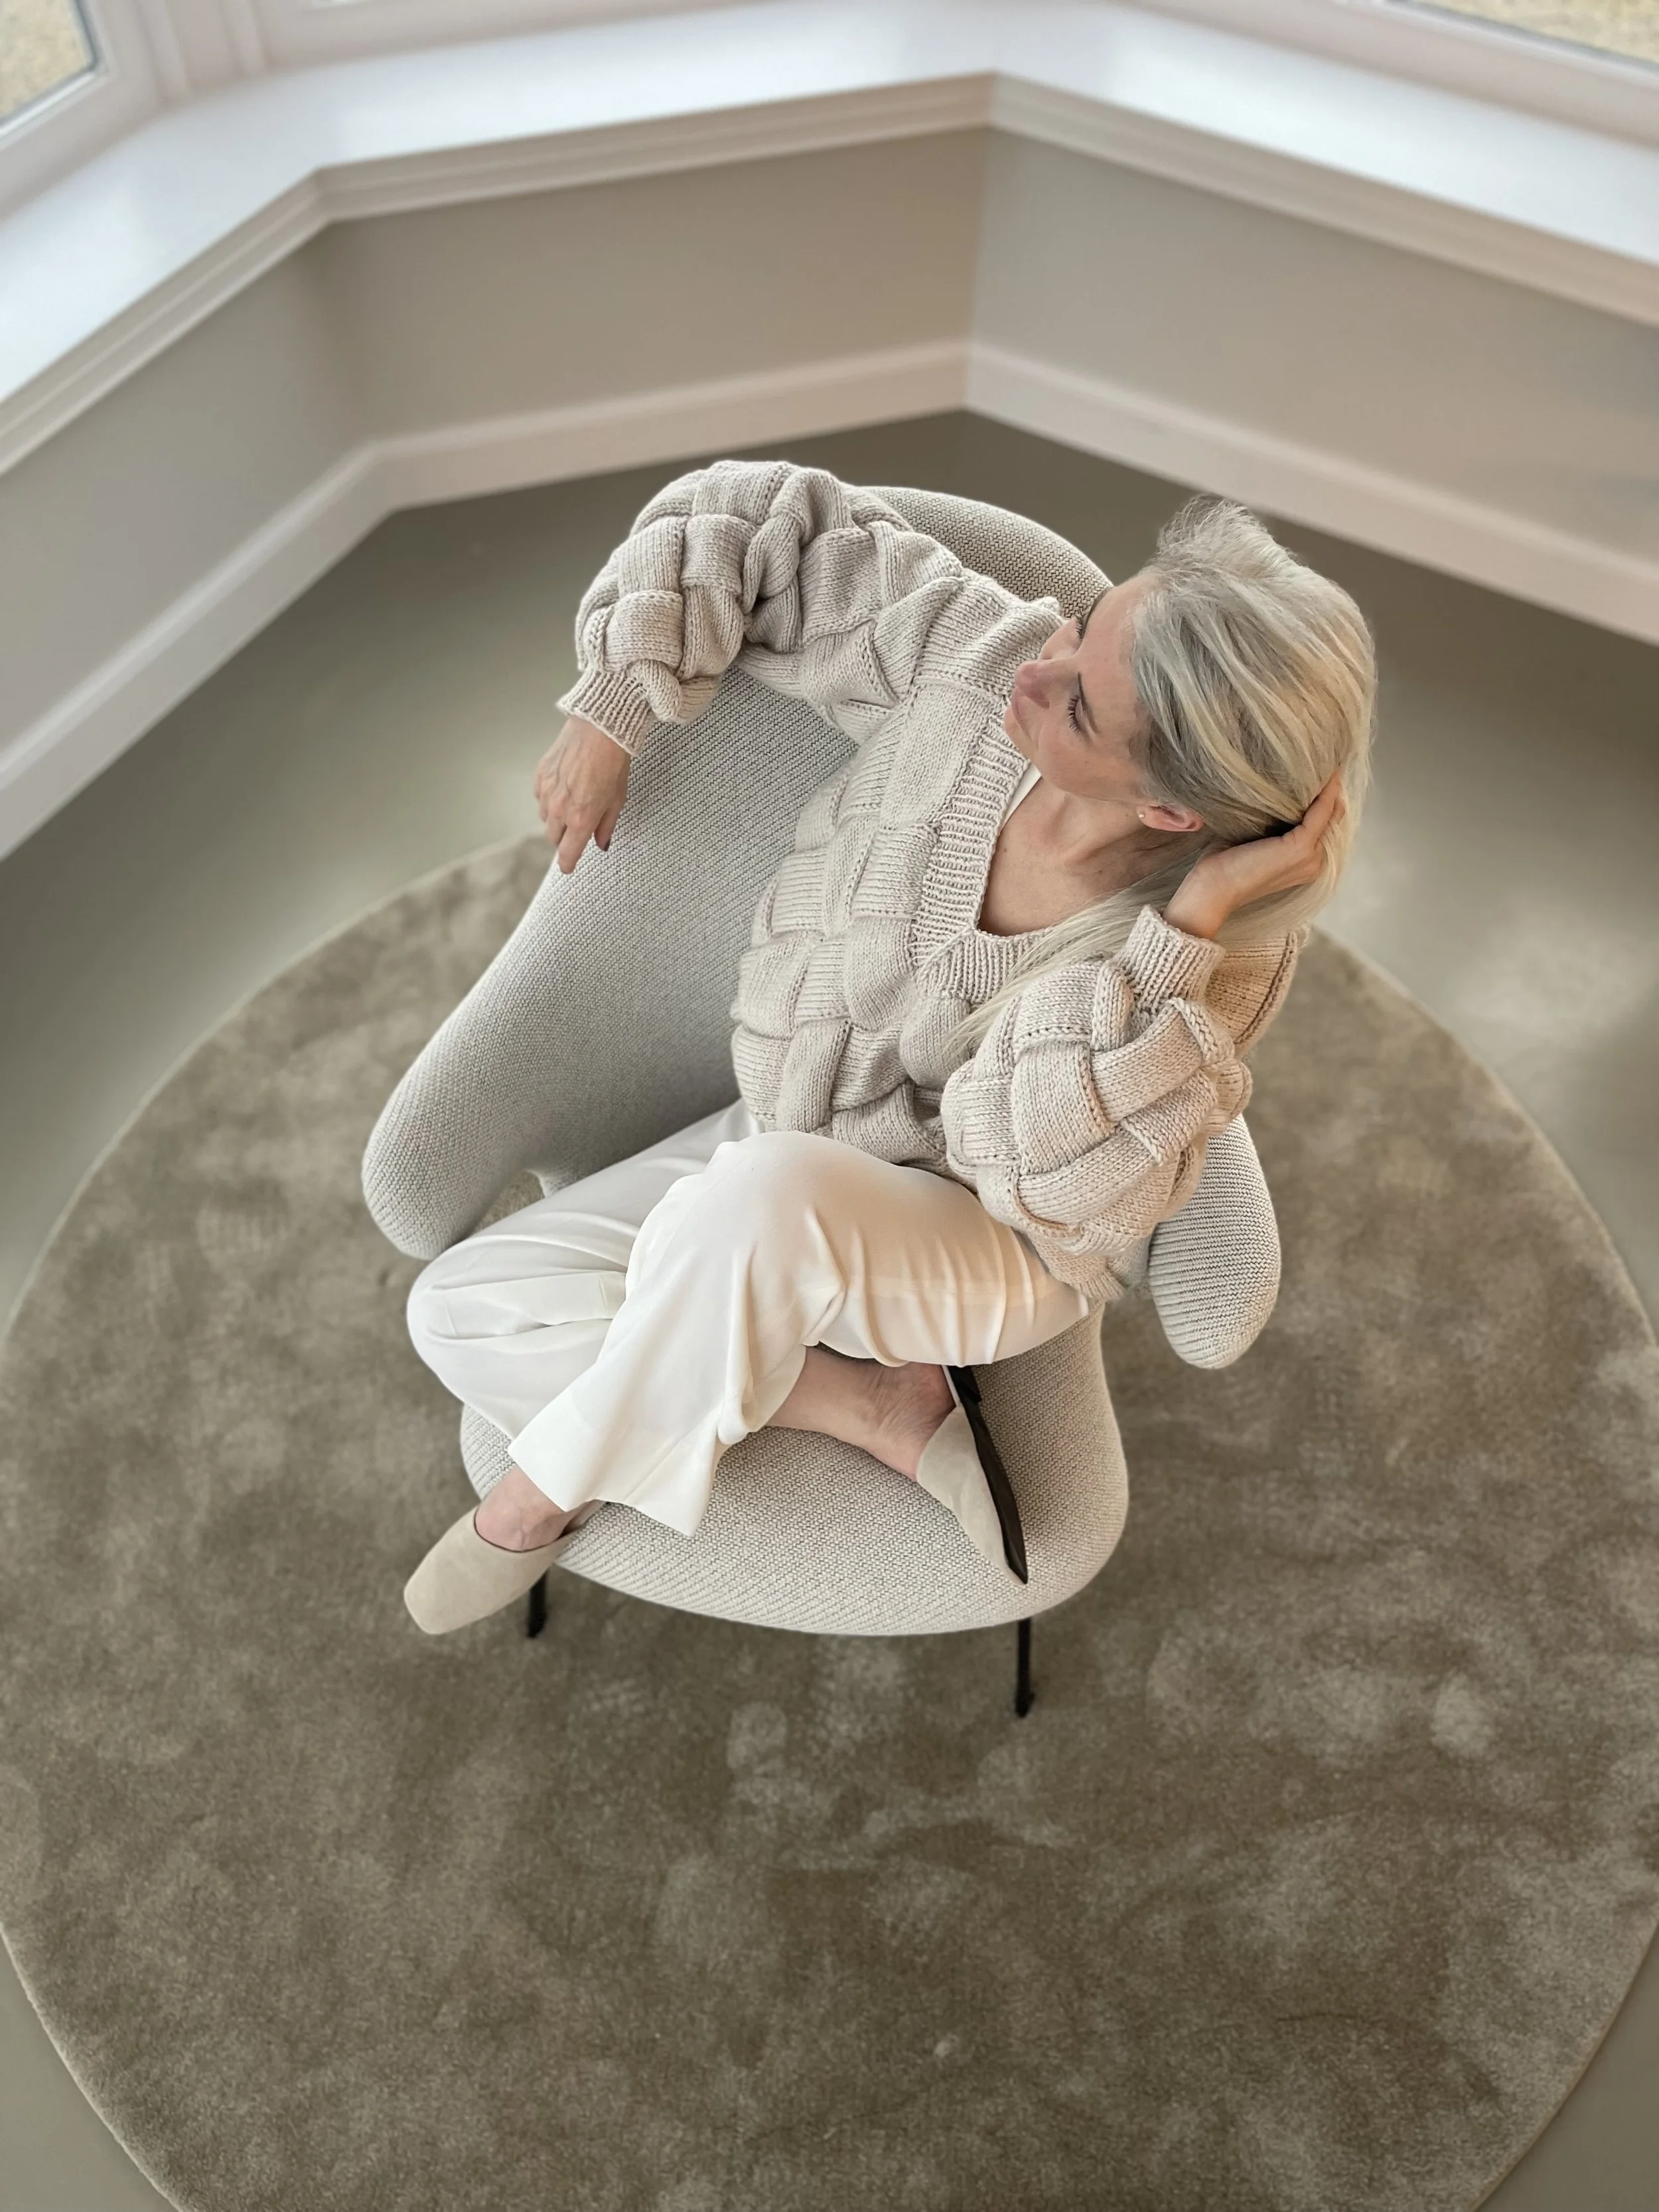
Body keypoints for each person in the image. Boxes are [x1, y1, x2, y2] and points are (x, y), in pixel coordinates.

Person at [401, 459, 1374, 1633]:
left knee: (764, 1195)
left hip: (986, 1248)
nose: (1036, 665)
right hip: (787, 1143)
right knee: (459, 1306)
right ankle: (877, 1413)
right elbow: (760, 522)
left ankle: (533, 1501)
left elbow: (1036, 1178)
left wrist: (1176, 936)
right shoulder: (975, 665)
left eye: (1076, 701)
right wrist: (613, 702)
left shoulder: (1213, 966)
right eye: (1081, 627)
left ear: (1172, 810)